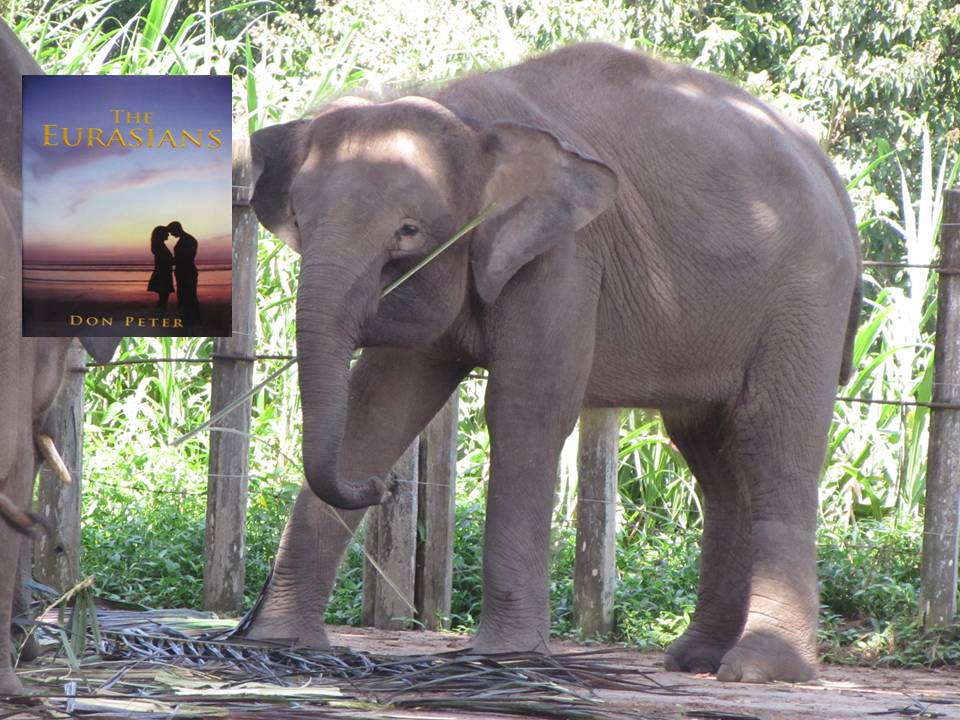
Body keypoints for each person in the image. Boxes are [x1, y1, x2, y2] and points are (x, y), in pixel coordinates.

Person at [167, 221, 200, 324]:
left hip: (186, 272)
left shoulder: (187, 240)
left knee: (187, 296)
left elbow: (184, 259)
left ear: (177, 229)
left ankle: (189, 320)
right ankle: (190, 319)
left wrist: (168, 260)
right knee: (187, 296)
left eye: (172, 231)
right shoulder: (188, 239)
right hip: (185, 271)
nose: (171, 234)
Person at [146, 225, 174, 316]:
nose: (168, 235)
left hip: (162, 273)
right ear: (161, 234)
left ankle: (159, 315)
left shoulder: (159, 245)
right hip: (163, 274)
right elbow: (166, 260)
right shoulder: (160, 246)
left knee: (163, 297)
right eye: (167, 233)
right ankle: (159, 316)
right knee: (163, 298)